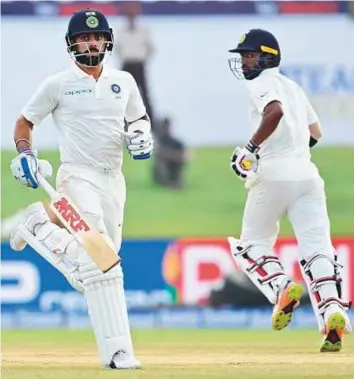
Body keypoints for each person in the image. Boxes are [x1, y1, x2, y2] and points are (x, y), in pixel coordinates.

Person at [9, 9, 153, 369]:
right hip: (76, 177)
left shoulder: (124, 81)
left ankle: (40, 225)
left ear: (107, 41)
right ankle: (118, 354)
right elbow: (25, 121)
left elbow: (138, 118)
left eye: (97, 37)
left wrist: (140, 135)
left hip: (113, 180)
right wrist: (26, 152)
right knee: (103, 260)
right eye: (84, 38)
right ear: (71, 44)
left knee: (94, 269)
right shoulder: (58, 84)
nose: (91, 43)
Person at [227, 29, 351, 352]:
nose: (244, 62)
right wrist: (293, 148)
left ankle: (282, 285)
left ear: (267, 57)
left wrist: (252, 149)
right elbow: (315, 133)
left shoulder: (260, 83)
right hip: (308, 176)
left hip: (272, 174)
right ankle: (334, 312)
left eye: (250, 55)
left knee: (249, 245)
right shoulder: (294, 87)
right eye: (242, 56)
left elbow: (275, 111)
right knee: (318, 251)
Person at [114, 2, 155, 129]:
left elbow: (150, 48)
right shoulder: (120, 31)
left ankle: (151, 124)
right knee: (123, 95)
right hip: (127, 65)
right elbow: (118, 48)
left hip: (139, 64)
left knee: (145, 95)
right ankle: (122, 123)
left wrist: (142, 58)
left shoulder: (143, 31)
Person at [153, 117, 188, 189]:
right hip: (164, 167)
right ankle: (169, 183)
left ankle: (176, 183)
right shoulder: (159, 141)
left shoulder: (176, 143)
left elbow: (185, 156)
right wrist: (174, 155)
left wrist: (171, 155)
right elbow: (159, 154)